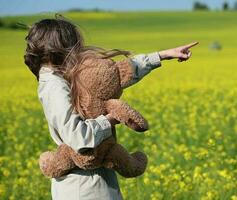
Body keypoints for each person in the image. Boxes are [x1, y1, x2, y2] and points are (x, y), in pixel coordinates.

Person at [24, 15, 198, 200]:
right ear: (61, 47)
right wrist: (110, 119)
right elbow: (78, 137)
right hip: (84, 186)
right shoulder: (54, 84)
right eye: (76, 47)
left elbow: (117, 73)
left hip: (93, 179)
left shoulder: (64, 75)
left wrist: (162, 55)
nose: (80, 52)